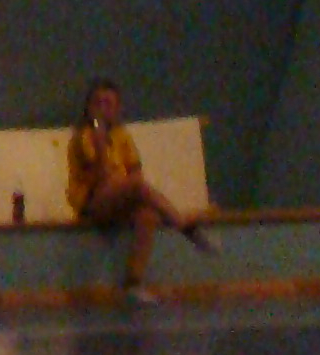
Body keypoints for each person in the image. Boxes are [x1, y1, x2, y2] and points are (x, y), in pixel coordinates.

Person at [65, 76, 215, 302]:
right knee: (133, 186)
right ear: (89, 108)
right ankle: (184, 226)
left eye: (109, 104)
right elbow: (101, 178)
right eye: (98, 103)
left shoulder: (122, 136)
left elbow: (135, 173)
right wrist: (101, 143)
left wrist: (128, 190)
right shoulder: (83, 138)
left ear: (117, 109)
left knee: (147, 215)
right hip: (92, 203)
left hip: (119, 197)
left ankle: (133, 284)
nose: (103, 109)